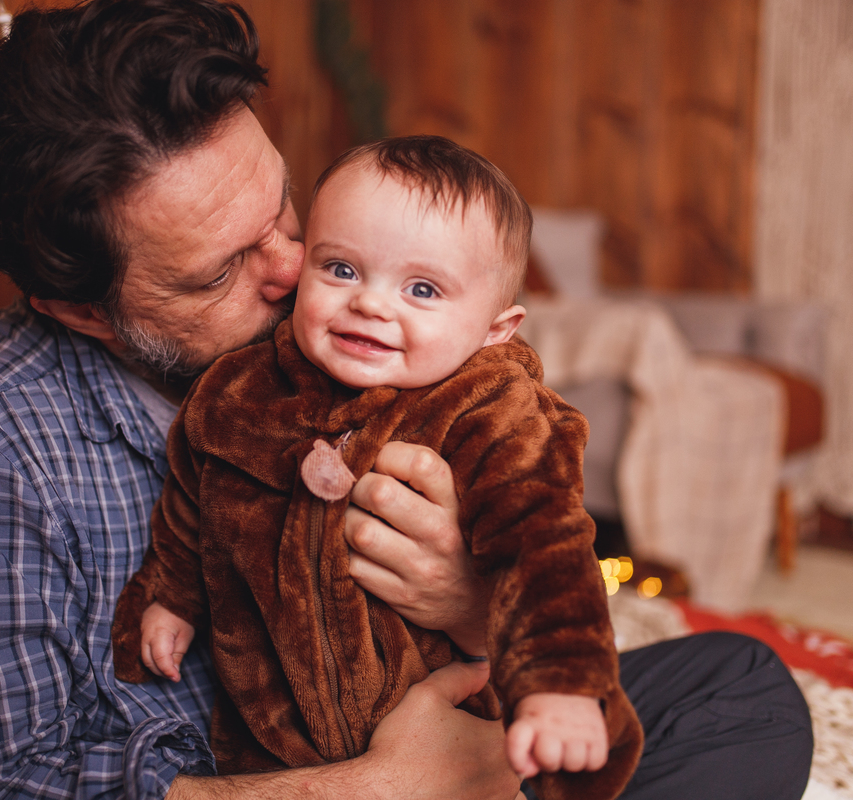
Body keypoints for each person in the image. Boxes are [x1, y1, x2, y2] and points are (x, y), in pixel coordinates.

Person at [0, 1, 813, 799]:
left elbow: (523, 510)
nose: (297, 272)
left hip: (439, 709)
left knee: (741, 688)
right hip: (270, 778)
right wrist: (383, 787)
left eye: (281, 208)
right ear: (82, 309)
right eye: (221, 270)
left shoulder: (348, 335)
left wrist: (470, 604)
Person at [111, 135, 643, 800]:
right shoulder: (240, 390)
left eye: (422, 289)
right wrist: (173, 593)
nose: (371, 303)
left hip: (456, 738)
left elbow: (543, 545)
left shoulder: (490, 410)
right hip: (275, 750)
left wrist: (561, 685)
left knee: (741, 684)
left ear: (496, 329)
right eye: (341, 270)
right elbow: (192, 493)